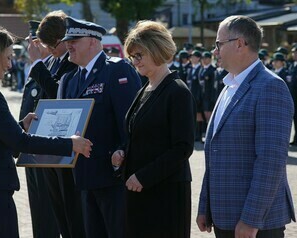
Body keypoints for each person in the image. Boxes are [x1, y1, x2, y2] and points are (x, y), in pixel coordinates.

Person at [0, 25, 92, 237]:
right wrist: (69, 143)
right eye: (7, 57)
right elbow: (21, 143)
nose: (10, 65)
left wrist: (19, 126)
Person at [197, 15, 295, 238]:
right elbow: (215, 153)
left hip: (256, 224)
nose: (214, 52)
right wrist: (205, 206)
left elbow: (271, 161)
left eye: (218, 44)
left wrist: (251, 220)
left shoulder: (270, 87)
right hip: (225, 217)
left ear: (239, 43)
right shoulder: (229, 85)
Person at [111, 20, 196, 238]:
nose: (135, 62)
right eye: (132, 57)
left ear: (156, 51)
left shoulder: (177, 91)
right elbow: (137, 133)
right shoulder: (146, 88)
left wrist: (144, 177)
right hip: (140, 192)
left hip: (164, 195)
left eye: (139, 55)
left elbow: (182, 147)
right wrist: (122, 151)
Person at [59, 16, 142, 238]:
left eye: (75, 40)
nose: (69, 44)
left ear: (94, 42)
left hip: (111, 175)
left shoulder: (117, 70)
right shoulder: (69, 80)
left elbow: (130, 122)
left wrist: (122, 153)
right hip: (83, 176)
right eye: (68, 40)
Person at [27, 11, 84, 238]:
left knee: (71, 210)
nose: (49, 50)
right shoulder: (53, 61)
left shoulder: (71, 64)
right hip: (51, 146)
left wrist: (38, 64)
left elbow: (59, 99)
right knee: (58, 209)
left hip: (68, 145)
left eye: (52, 45)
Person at [19, 20, 60, 238]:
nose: (32, 47)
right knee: (38, 211)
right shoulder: (38, 68)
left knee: (47, 212)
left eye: (37, 42)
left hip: (47, 150)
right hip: (32, 149)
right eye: (30, 42)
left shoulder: (50, 68)